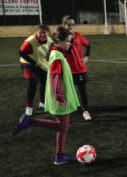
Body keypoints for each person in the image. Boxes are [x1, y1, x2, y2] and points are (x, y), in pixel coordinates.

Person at [13, 26, 80, 165]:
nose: (69, 44)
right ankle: (30, 122)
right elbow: (55, 77)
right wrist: (60, 97)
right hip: (60, 98)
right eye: (67, 41)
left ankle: (60, 155)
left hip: (60, 96)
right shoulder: (56, 56)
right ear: (60, 41)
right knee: (62, 126)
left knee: (63, 126)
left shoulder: (57, 53)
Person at [62, 15, 92, 120]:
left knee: (82, 90)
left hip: (80, 69)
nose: (71, 27)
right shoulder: (61, 39)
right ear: (64, 25)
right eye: (68, 25)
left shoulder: (79, 36)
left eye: (73, 25)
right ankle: (69, 110)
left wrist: (86, 57)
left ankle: (85, 111)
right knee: (68, 91)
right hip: (68, 70)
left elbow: (88, 45)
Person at [19, 24, 52, 116]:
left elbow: (51, 52)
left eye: (44, 33)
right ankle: (29, 107)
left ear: (47, 33)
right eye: (40, 33)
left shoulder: (50, 41)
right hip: (27, 63)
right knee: (33, 82)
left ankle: (42, 103)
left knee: (45, 81)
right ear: (37, 33)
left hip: (39, 63)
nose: (42, 35)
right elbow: (21, 53)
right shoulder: (30, 41)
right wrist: (34, 63)